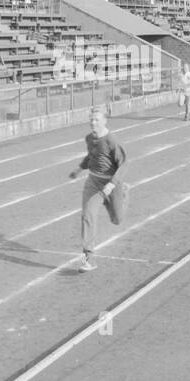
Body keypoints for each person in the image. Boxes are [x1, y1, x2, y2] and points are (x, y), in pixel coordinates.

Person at [69, 108, 126, 272]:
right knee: (87, 214)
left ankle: (123, 193)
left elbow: (123, 164)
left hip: (111, 184)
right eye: (91, 119)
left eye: (96, 120)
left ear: (105, 121)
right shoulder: (89, 138)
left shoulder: (112, 141)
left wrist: (112, 184)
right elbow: (92, 156)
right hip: (93, 182)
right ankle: (88, 257)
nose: (93, 122)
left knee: (117, 219)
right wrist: (79, 169)